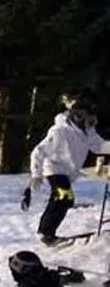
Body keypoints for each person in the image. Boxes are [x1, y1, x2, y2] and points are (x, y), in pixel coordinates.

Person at [28, 101, 109, 244]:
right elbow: (38, 151)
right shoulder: (59, 131)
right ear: (78, 117)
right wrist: (36, 173)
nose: (92, 123)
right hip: (54, 168)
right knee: (63, 196)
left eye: (93, 120)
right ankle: (45, 232)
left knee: (66, 199)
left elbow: (99, 146)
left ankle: (47, 231)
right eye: (89, 120)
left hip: (67, 172)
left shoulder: (88, 132)